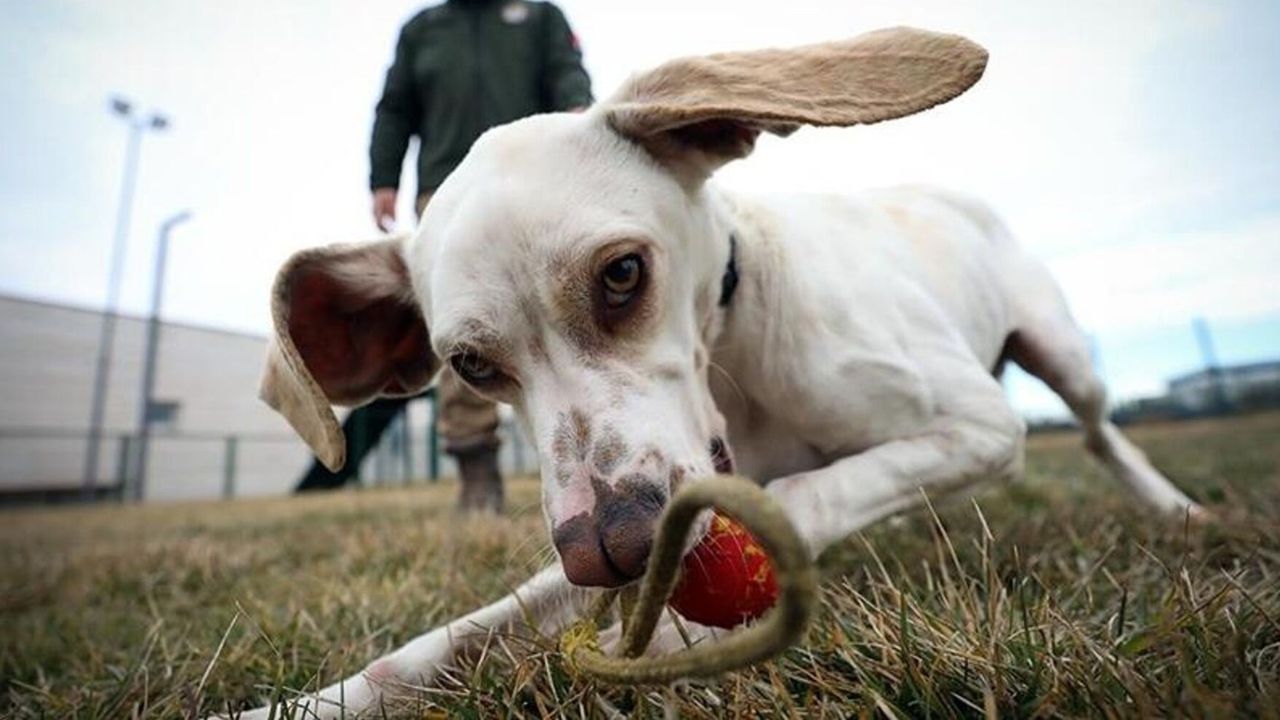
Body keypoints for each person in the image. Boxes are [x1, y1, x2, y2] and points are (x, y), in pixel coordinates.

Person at [368, 0, 593, 511]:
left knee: (566, 321)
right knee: (467, 332)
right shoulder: (422, 29)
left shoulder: (539, 16)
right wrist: (383, 178)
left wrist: (579, 117)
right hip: (445, 196)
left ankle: (589, 462)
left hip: (534, 184)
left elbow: (567, 72)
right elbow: (395, 107)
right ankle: (477, 478)